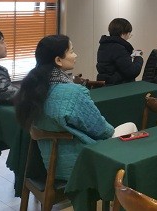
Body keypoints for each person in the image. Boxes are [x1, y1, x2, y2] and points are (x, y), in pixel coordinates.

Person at [15, 35, 116, 181]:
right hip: (82, 163)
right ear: (58, 60)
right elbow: (102, 130)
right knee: (130, 128)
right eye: (71, 51)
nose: (75, 55)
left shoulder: (31, 89)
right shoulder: (73, 93)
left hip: (51, 165)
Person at [96, 18, 143, 85]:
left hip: (107, 85)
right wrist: (138, 57)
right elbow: (132, 72)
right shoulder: (118, 48)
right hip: (118, 86)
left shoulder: (104, 45)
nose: (129, 36)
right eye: (129, 33)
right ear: (123, 33)